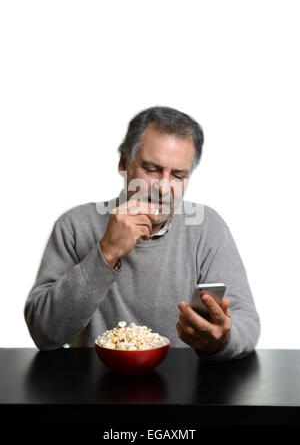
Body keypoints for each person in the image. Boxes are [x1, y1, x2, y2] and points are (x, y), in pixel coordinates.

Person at [24, 106, 260, 359]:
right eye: (151, 170)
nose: (164, 188)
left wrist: (221, 340)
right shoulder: (74, 226)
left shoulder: (207, 228)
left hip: (183, 388)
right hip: (94, 386)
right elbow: (44, 334)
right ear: (124, 163)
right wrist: (107, 252)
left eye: (178, 175)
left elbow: (246, 322)